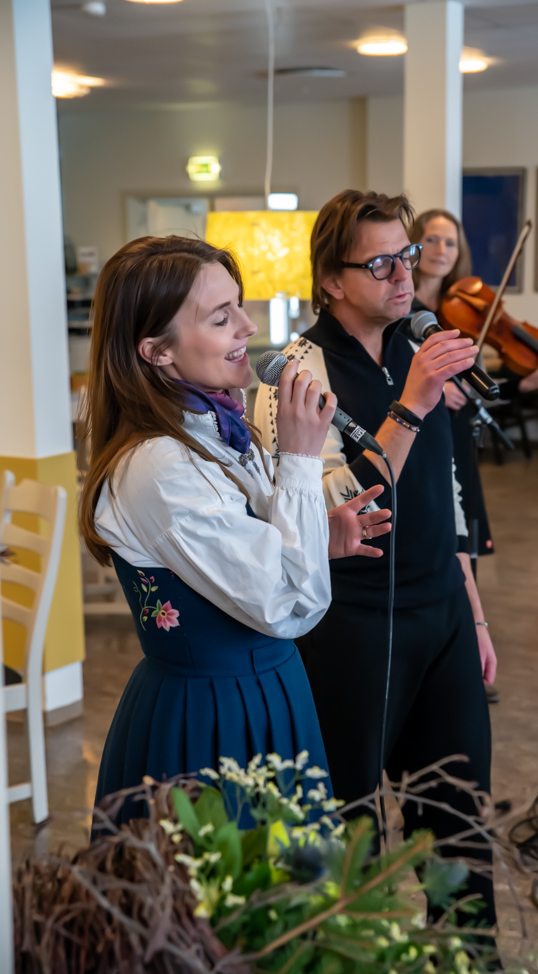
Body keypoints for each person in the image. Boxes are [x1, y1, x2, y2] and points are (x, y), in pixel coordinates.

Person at [78, 234, 391, 827]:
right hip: (211, 710)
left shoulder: (211, 426)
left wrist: (313, 536)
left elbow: (251, 551)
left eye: (239, 307)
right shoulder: (160, 466)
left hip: (272, 687)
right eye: (222, 317)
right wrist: (299, 458)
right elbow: (290, 605)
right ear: (157, 351)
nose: (248, 326)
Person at [254, 190, 498, 926]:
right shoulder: (295, 374)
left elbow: (444, 492)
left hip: (442, 612)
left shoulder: (416, 349)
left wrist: (474, 614)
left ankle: (472, 965)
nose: (404, 276)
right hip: (351, 622)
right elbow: (318, 509)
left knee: (459, 809)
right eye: (381, 263)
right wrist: (411, 408)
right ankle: (345, 962)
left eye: (408, 257)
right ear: (331, 280)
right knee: (347, 816)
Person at [410, 209, 538, 561]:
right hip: (416, 439)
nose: (441, 250)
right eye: (431, 239)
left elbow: (480, 393)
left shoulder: (465, 314)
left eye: (451, 242)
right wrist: (434, 390)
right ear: (413, 246)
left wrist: (532, 381)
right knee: (427, 542)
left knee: (464, 546)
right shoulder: (399, 310)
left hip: (460, 435)